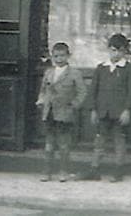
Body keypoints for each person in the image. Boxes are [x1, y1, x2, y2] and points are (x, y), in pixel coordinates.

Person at [84, 33, 131, 182]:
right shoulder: (101, 68)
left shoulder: (128, 69)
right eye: (113, 50)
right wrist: (93, 109)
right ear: (108, 50)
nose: (116, 54)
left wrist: (127, 110)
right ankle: (94, 169)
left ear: (125, 51)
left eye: (120, 51)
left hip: (119, 112)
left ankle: (119, 170)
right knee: (99, 141)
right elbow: (93, 90)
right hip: (102, 111)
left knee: (119, 141)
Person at [36, 42, 87, 182]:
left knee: (64, 144)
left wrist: (74, 105)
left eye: (62, 56)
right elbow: (43, 90)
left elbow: (82, 92)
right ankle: (47, 171)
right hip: (50, 112)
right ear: (52, 56)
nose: (59, 59)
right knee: (49, 144)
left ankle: (63, 171)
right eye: (56, 56)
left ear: (68, 56)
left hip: (65, 113)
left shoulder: (74, 73)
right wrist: (41, 100)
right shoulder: (49, 72)